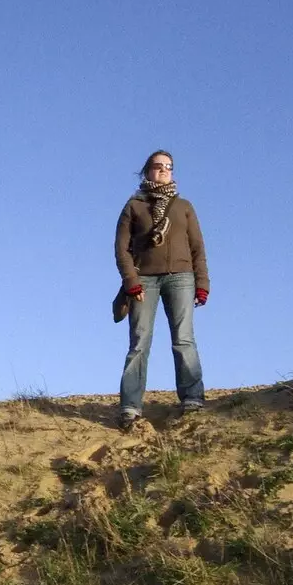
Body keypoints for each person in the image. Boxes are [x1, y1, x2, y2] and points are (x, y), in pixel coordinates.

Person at [114, 149, 209, 432]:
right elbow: (121, 249)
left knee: (184, 339)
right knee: (140, 341)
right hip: (144, 280)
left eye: (169, 166)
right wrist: (131, 281)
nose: (164, 170)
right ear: (147, 171)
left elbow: (198, 248)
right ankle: (130, 407)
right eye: (158, 166)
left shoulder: (184, 207)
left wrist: (202, 283)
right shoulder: (134, 206)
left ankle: (192, 399)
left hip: (182, 277)